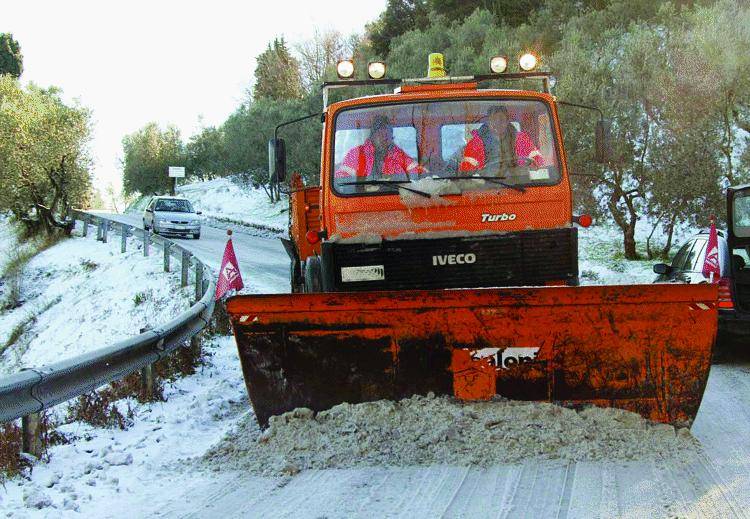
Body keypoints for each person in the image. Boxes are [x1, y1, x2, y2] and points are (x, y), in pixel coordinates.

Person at [457, 106, 544, 173]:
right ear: (488, 122)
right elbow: (467, 173)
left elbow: (537, 160)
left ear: (507, 121)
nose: (497, 124)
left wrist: (532, 165)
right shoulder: (475, 144)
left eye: (501, 120)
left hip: (522, 185)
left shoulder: (522, 139)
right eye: (493, 120)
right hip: (488, 189)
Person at [335, 115, 422, 178]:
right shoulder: (357, 153)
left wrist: (427, 177)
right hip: (363, 198)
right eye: (380, 133)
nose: (384, 137)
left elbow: (418, 173)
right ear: (373, 135)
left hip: (393, 196)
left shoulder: (398, 154)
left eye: (388, 133)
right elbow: (341, 177)